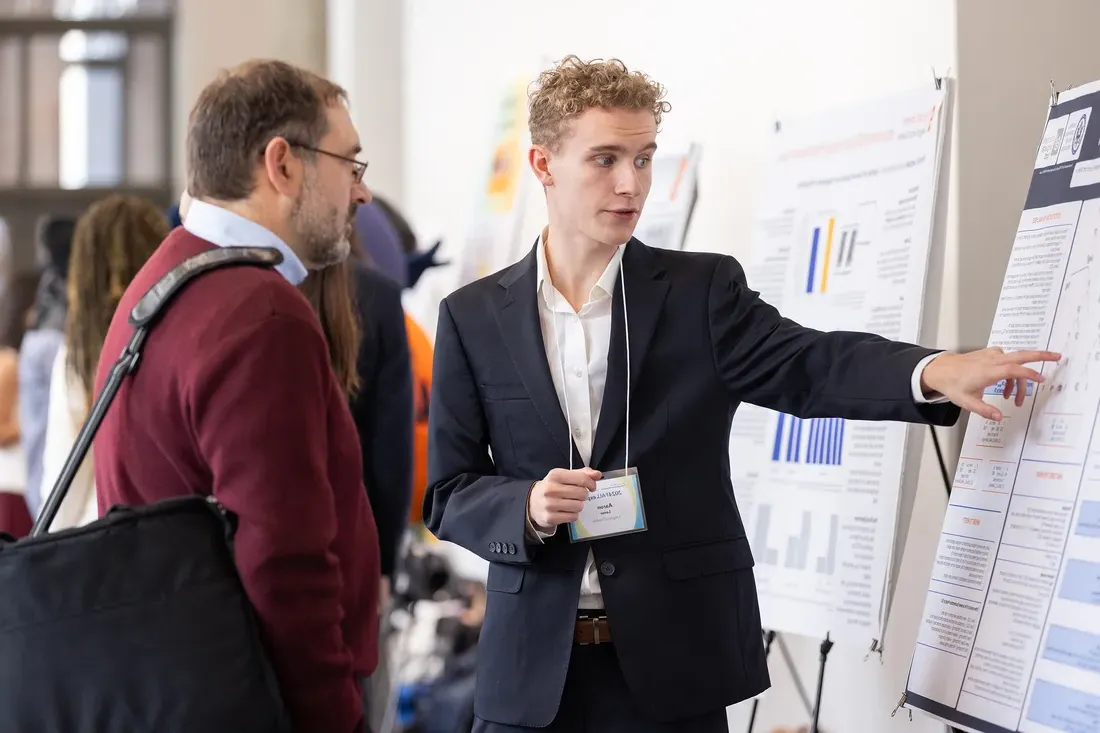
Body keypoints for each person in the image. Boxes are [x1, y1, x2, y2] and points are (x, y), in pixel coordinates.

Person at [423, 55, 1060, 733]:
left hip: (673, 667)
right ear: (543, 164)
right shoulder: (472, 317)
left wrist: (933, 371)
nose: (630, 183)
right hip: (531, 680)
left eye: (644, 159)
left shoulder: (700, 292)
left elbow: (809, 363)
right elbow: (449, 490)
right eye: (605, 159)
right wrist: (525, 503)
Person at [92, 59, 380, 733]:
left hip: (181, 680)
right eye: (351, 164)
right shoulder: (260, 312)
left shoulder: (165, 276)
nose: (361, 194)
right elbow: (284, 558)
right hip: (255, 695)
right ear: (282, 164)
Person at [41, 195, 169, 531]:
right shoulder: (183, 337)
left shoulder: (82, 353)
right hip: (180, 537)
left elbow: (62, 485)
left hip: (98, 541)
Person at [18, 214, 75, 517]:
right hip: (55, 345)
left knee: (40, 434)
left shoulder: (47, 284)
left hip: (39, 345)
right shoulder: (65, 283)